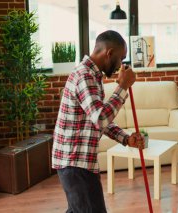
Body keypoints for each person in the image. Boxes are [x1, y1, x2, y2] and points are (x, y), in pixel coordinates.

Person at [52, 30, 144, 213]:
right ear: (109, 53)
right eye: (121, 58)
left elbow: (95, 118)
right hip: (75, 163)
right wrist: (123, 86)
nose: (121, 66)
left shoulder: (92, 75)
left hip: (78, 163)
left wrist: (125, 138)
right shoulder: (85, 75)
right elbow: (101, 118)